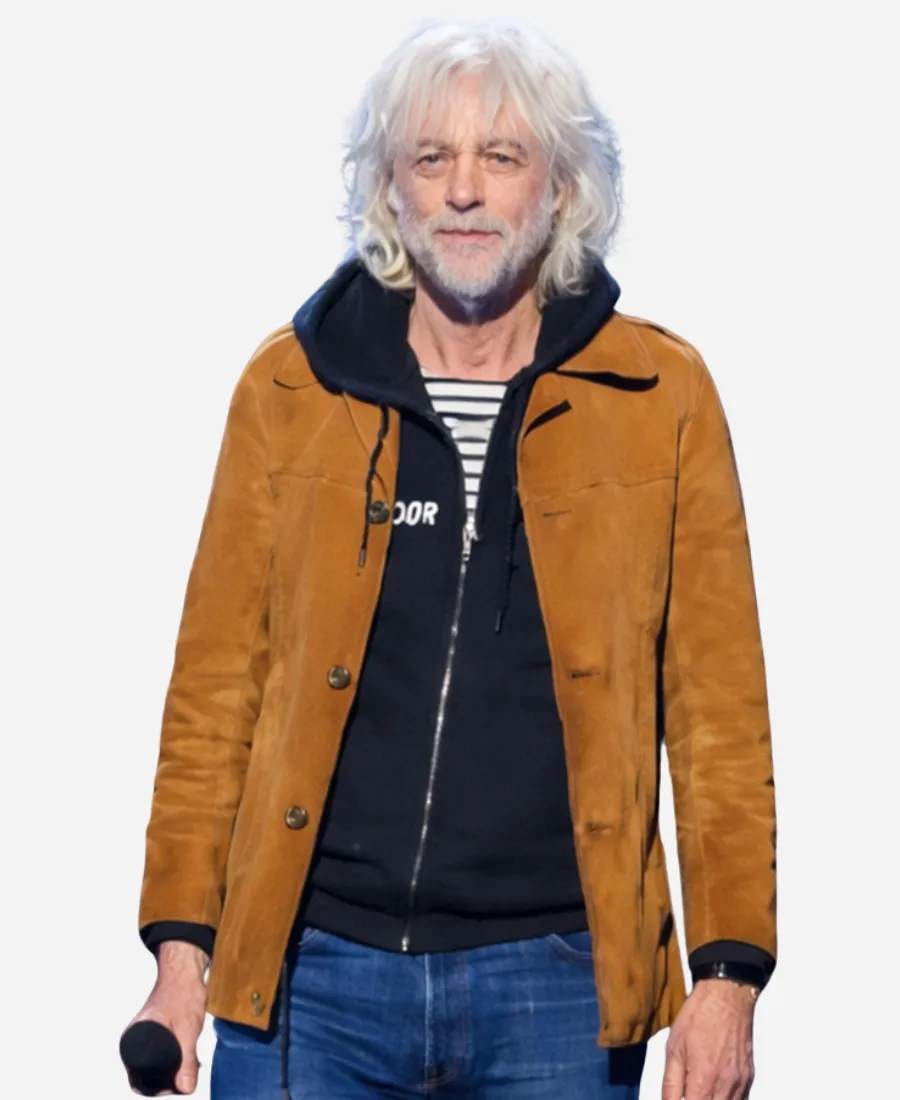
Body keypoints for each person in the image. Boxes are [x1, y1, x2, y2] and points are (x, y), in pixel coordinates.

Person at [124, 18, 777, 1100]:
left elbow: (719, 715)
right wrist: (181, 955)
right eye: (431, 158)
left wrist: (727, 978)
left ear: (561, 189)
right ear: (389, 189)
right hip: (312, 981)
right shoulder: (292, 389)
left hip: (560, 986)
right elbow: (214, 692)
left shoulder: (659, 397)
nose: (464, 191)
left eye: (501, 157)